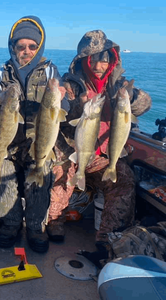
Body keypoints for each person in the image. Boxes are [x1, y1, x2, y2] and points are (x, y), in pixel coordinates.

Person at [53, 30, 152, 249]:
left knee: (123, 179)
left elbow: (145, 104)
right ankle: (53, 222)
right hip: (73, 153)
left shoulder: (119, 85)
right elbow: (59, 116)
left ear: (112, 59)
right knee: (58, 173)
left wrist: (132, 98)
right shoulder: (70, 85)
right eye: (93, 60)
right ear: (84, 61)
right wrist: (78, 104)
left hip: (103, 157)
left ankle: (109, 239)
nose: (98, 66)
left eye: (104, 60)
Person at [0, 16, 69, 253]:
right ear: (12, 47)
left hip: (38, 140)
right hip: (7, 142)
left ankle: (34, 226)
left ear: (39, 46)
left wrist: (63, 97)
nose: (26, 51)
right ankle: (10, 223)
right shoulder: (0, 73)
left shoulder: (51, 71)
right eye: (20, 46)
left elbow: (67, 108)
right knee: (1, 171)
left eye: (32, 46)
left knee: (41, 171)